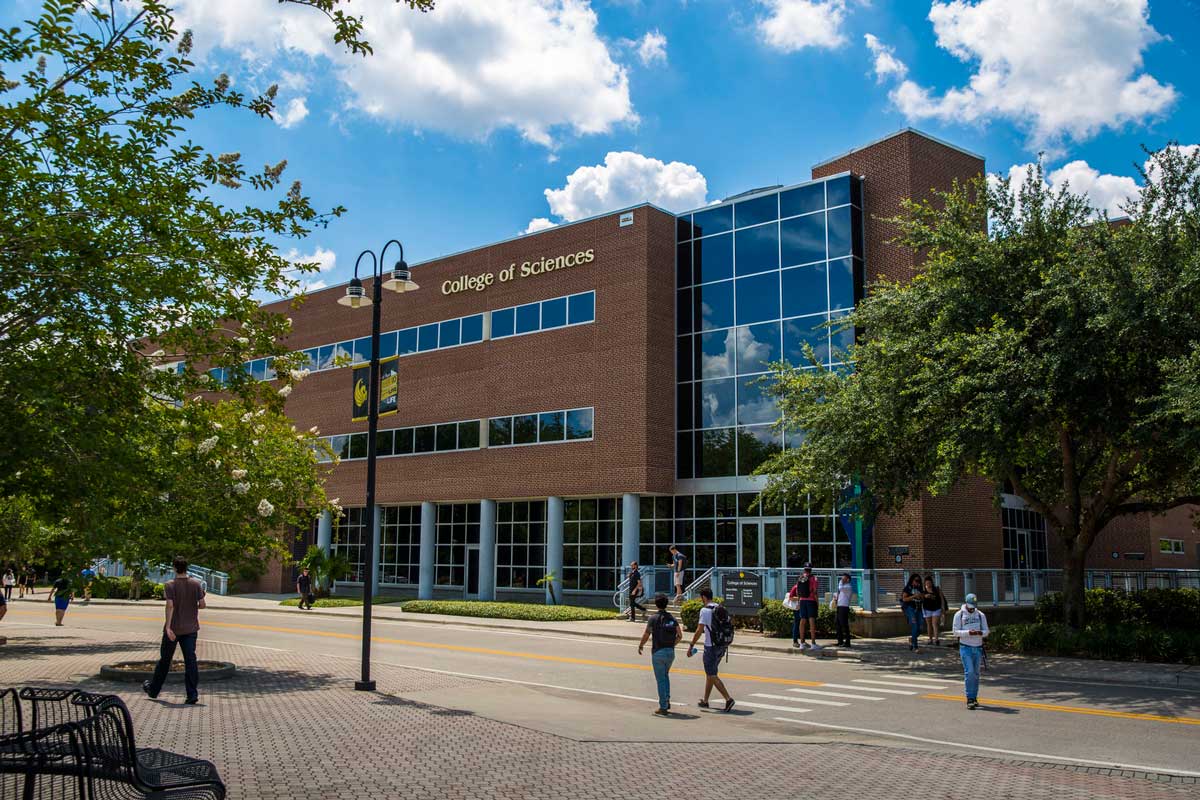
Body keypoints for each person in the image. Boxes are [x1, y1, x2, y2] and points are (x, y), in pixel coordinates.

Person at [143, 557, 207, 704]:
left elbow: (170, 606)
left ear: (174, 568)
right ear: (186, 568)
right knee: (190, 660)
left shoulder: (170, 585)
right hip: (191, 629)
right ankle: (192, 694)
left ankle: (154, 690)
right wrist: (192, 607)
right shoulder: (196, 584)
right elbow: (202, 605)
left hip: (174, 629)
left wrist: (168, 627)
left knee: (165, 660)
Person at [686, 588, 735, 712]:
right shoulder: (719, 608)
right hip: (722, 645)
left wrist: (691, 644)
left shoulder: (705, 610)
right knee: (710, 674)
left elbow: (699, 630)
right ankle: (706, 700)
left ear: (703, 597)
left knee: (711, 674)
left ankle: (728, 699)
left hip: (711, 646)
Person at [638, 593, 681, 716]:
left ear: (656, 605)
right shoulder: (672, 618)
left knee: (661, 679)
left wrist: (641, 645)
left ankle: (663, 706)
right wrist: (672, 644)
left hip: (658, 652)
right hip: (670, 652)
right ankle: (666, 700)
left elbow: (647, 634)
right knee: (665, 676)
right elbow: (680, 635)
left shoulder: (653, 618)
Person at [952, 592, 990, 710]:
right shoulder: (959, 615)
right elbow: (955, 632)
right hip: (966, 647)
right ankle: (969, 698)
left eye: (974, 605)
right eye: (970, 605)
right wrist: (969, 633)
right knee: (970, 672)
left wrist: (980, 633)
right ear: (966, 604)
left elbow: (986, 631)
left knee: (976, 674)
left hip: (978, 647)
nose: (972, 608)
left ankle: (974, 697)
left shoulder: (980, 615)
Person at [788, 564, 820, 650]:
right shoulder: (814, 578)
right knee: (811, 621)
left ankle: (802, 643)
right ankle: (813, 644)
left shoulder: (800, 578)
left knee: (802, 621)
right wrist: (818, 603)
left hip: (802, 601)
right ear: (811, 569)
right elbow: (815, 592)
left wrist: (799, 601)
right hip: (811, 601)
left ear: (804, 569)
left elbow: (798, 592)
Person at [900, 573, 925, 652]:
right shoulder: (908, 588)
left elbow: (923, 598)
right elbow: (904, 599)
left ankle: (912, 639)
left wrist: (922, 596)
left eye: (919, 581)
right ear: (912, 580)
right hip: (910, 608)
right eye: (916, 580)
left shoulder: (920, 588)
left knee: (920, 627)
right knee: (915, 625)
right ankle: (915, 646)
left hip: (919, 608)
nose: (918, 582)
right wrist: (914, 596)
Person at [922, 576, 948, 646]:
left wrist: (943, 607)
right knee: (929, 624)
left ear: (932, 582)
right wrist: (925, 596)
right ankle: (930, 639)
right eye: (926, 583)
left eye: (929, 583)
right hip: (927, 609)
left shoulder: (937, 589)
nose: (928, 584)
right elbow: (920, 598)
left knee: (935, 624)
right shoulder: (923, 590)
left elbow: (942, 598)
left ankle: (936, 639)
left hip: (936, 608)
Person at [834, 573, 853, 647]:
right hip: (839, 606)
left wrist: (840, 581)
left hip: (844, 607)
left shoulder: (848, 587)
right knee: (837, 624)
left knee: (844, 625)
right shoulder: (843, 587)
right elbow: (840, 592)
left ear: (848, 579)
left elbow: (840, 588)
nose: (842, 578)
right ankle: (840, 641)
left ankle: (847, 642)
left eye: (844, 577)